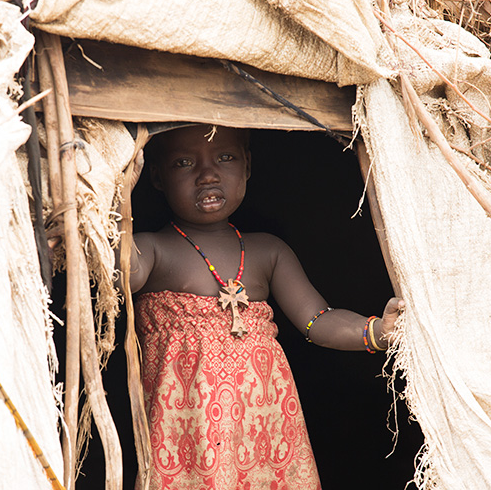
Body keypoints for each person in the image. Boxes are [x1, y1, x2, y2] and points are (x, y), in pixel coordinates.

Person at [125, 124, 404, 490]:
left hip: (266, 423)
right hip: (188, 428)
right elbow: (121, 277)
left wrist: (377, 332)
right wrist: (117, 198)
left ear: (248, 166)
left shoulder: (267, 251)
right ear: (156, 177)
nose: (207, 173)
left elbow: (318, 320)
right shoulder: (151, 249)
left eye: (225, 157)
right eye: (183, 162)